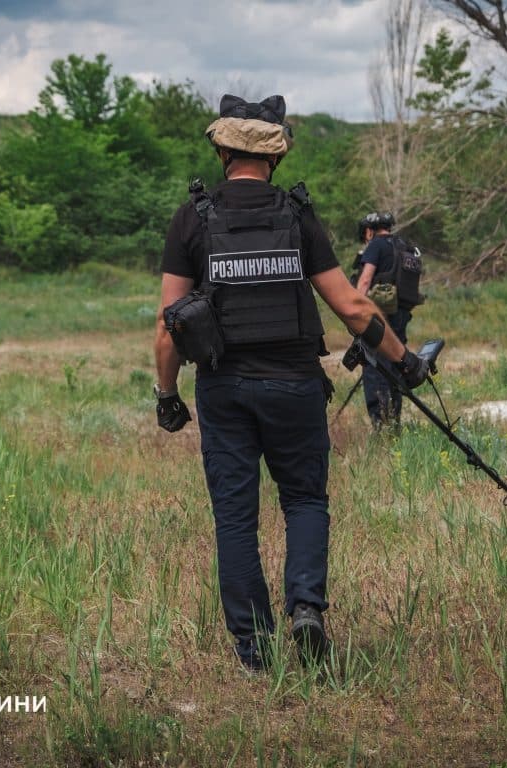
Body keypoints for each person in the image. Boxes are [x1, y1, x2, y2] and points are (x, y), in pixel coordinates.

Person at [153, 94, 430, 672]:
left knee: (235, 517)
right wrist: (405, 362)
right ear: (275, 155)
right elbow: (353, 307)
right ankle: (306, 608)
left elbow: (168, 326)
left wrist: (167, 395)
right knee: (304, 500)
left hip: (224, 388)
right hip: (295, 385)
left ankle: (254, 650)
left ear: (223, 151)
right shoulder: (296, 214)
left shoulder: (191, 217)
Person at [352, 212, 423, 429]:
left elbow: (365, 280)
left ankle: (381, 424)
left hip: (381, 317)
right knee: (397, 361)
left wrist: (355, 312)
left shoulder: (376, 245)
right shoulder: (404, 245)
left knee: (375, 365)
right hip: (402, 313)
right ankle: (395, 420)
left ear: (369, 231)